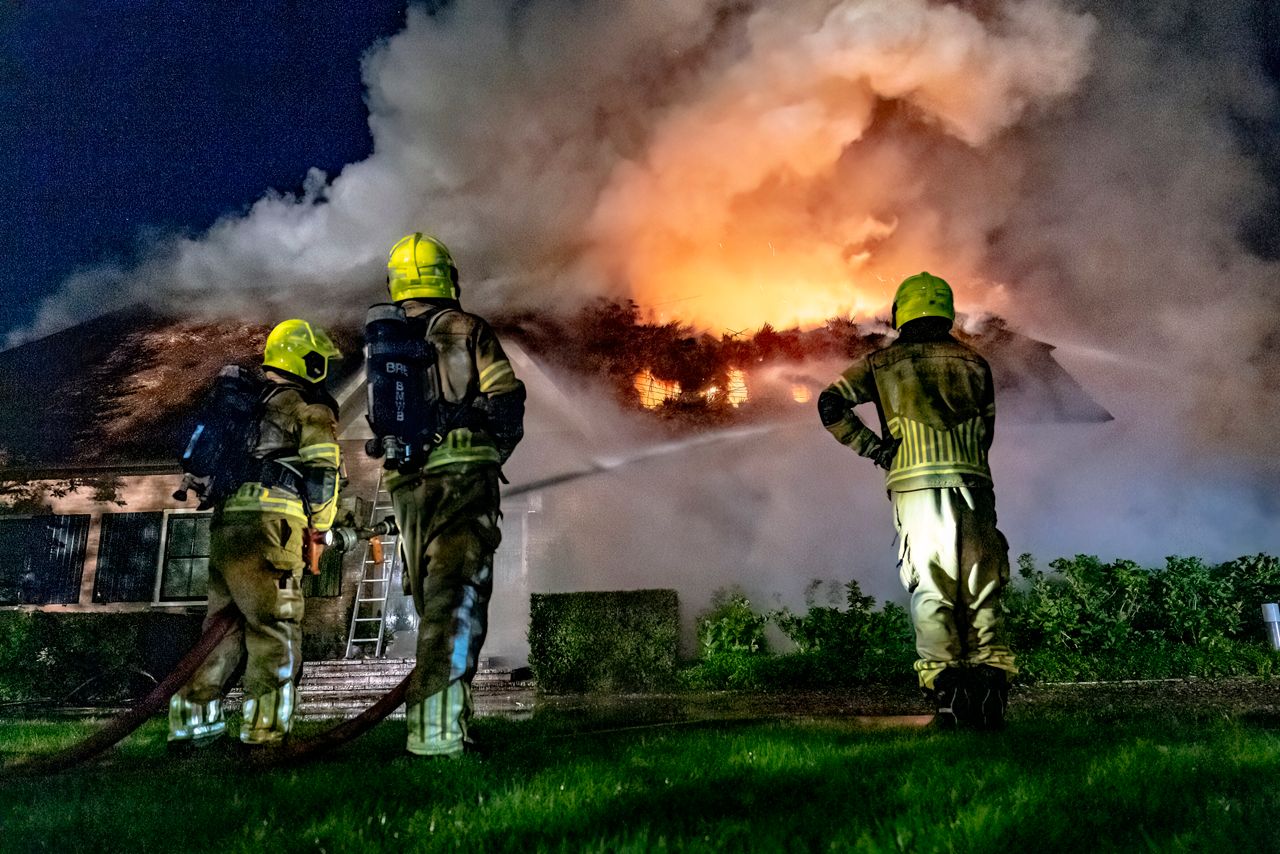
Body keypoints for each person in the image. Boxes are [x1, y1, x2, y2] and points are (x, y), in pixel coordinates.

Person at [818, 272, 1016, 729]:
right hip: (974, 484)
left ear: (900, 314)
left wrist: (878, 450)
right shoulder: (976, 364)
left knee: (931, 587)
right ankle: (992, 696)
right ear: (945, 312)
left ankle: (948, 697)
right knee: (982, 587)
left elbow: (831, 404)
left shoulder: (880, 364)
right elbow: (986, 431)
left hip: (914, 487)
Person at [373, 232, 525, 757]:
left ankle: (439, 720)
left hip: (405, 486)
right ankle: (436, 739)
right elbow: (506, 403)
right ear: (448, 277)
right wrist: (489, 458)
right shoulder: (466, 329)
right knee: (454, 601)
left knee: (430, 602)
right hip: (462, 477)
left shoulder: (383, 343)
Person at [168, 319, 342, 749]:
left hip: (228, 525)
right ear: (307, 361)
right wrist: (322, 526)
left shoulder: (244, 406)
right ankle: (264, 734)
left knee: (222, 630)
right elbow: (323, 474)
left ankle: (191, 727)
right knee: (275, 628)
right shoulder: (307, 408)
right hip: (273, 528)